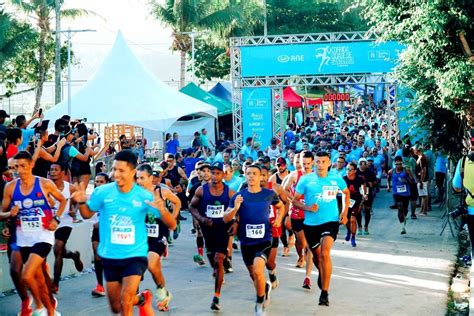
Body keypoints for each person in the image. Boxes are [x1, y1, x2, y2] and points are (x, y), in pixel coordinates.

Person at [72, 150, 176, 316]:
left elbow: (172, 224)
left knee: (126, 300)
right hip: (110, 256)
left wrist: (162, 210)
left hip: (135, 255)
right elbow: (86, 214)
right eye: (114, 169)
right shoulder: (103, 192)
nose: (115, 174)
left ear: (132, 172)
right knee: (116, 307)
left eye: (121, 171)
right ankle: (143, 299)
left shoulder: (144, 196)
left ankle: (137, 298)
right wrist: (82, 201)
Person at [2, 151, 67, 315]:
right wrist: (9, 214)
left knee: (26, 275)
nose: (20, 170)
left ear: (32, 164)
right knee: (37, 279)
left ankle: (38, 309)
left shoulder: (44, 184)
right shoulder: (10, 187)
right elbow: (1, 212)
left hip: (43, 236)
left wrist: (56, 220)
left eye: (23, 166)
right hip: (23, 238)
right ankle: (51, 311)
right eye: (16, 167)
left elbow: (62, 200)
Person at [223, 164, 285, 316]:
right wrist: (235, 208)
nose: (251, 176)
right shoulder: (239, 196)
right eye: (248, 173)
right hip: (246, 241)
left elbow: (281, 206)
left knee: (258, 269)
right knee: (254, 275)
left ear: (260, 177)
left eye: (254, 174)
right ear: (245, 175)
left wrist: (278, 218)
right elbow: (225, 218)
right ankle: (265, 288)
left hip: (264, 239)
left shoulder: (268, 194)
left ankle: (259, 302)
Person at [292, 151, 350, 307]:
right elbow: (295, 201)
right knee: (317, 257)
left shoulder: (336, 178)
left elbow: (346, 193)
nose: (320, 165)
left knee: (325, 252)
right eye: (317, 162)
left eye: (323, 162)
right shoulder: (305, 180)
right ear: (313, 163)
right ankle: (321, 273)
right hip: (310, 224)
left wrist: (344, 212)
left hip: (330, 221)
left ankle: (324, 292)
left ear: (329, 163)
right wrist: (307, 207)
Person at [189, 161, 235, 311]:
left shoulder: (230, 192)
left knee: (219, 259)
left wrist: (236, 223)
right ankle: (217, 268)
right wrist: (201, 219)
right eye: (212, 172)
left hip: (223, 230)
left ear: (223, 174)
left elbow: (238, 209)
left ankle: (216, 297)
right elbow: (192, 206)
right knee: (213, 261)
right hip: (207, 230)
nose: (214, 176)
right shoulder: (201, 191)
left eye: (217, 173)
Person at [136, 164, 180, 311]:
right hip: (140, 236)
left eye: (142, 178)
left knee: (151, 264)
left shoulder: (161, 191)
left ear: (150, 178)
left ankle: (162, 292)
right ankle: (136, 292)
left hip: (158, 234)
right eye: (137, 178)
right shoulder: (134, 194)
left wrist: (172, 218)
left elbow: (177, 202)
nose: (139, 181)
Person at [49, 163, 83, 294]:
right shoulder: (46, 186)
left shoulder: (71, 188)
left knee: (57, 248)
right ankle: (74, 256)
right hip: (50, 222)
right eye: (51, 169)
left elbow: (78, 202)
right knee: (61, 251)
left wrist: (74, 210)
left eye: (56, 170)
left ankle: (55, 283)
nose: (53, 172)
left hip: (65, 222)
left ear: (63, 172)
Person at [282, 151, 314, 289]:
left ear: (312, 162)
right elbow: (284, 189)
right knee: (301, 242)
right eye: (303, 163)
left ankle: (307, 278)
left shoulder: (316, 175)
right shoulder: (295, 175)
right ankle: (300, 256)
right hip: (297, 213)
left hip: (311, 214)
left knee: (309, 245)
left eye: (308, 164)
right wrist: (294, 200)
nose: (305, 166)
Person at [260, 165, 289, 290]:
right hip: (256, 227)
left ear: (268, 176)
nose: (261, 178)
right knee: (258, 260)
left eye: (264, 175)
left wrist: (280, 218)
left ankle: (272, 273)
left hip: (273, 226)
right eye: (258, 174)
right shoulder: (247, 188)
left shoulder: (275, 188)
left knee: (270, 262)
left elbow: (286, 202)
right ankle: (261, 284)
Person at [90, 172, 110, 297]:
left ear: (107, 183)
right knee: (97, 256)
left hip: (110, 230)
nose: (98, 184)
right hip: (96, 229)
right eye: (96, 181)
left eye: (101, 181)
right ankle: (100, 285)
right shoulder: (93, 195)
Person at [387, 156, 415, 234]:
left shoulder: (406, 170)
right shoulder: (391, 171)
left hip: (406, 193)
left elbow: (413, 181)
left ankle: (404, 217)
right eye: (397, 164)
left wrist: (406, 180)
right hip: (396, 192)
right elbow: (388, 179)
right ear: (394, 164)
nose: (398, 166)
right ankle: (402, 227)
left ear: (402, 163)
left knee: (405, 209)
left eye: (400, 164)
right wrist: (388, 186)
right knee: (399, 207)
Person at [343, 162, 367, 246]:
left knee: (353, 219)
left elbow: (363, 187)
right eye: (347, 169)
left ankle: (353, 237)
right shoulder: (344, 179)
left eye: (350, 169)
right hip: (346, 201)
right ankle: (349, 231)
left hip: (356, 201)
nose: (348, 171)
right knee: (346, 219)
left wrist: (365, 194)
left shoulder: (359, 179)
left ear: (355, 171)